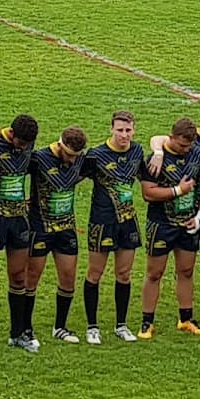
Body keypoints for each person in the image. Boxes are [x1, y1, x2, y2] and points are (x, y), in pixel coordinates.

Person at [149, 101, 200, 328]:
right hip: (175, 215)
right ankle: (150, 320)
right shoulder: (184, 138)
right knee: (162, 270)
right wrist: (158, 152)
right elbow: (159, 139)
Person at [139, 118, 200, 338]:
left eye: (188, 146)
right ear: (170, 137)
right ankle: (147, 322)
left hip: (187, 223)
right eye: (181, 145)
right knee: (155, 273)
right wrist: (177, 191)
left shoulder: (197, 155)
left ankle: (185, 319)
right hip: (161, 224)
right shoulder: (154, 159)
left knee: (186, 271)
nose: (184, 150)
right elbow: (148, 193)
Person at [0, 114, 39, 352]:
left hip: (19, 220)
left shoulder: (28, 144)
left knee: (19, 276)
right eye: (20, 143)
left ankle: (17, 334)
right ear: (11, 134)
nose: (23, 148)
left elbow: (34, 167)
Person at [81, 111, 143, 343]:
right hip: (102, 222)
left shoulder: (137, 151)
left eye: (128, 130)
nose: (124, 135)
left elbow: (146, 176)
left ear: (134, 130)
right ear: (111, 129)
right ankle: (92, 326)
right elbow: (73, 176)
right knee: (94, 274)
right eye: (120, 130)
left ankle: (121, 325)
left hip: (128, 222)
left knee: (124, 274)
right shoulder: (96, 155)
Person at [26, 125, 88, 345]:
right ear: (60, 145)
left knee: (69, 278)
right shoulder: (39, 158)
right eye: (69, 155)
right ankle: (26, 328)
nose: (72, 161)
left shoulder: (80, 159)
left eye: (76, 156)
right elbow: (12, 173)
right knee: (31, 278)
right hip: (39, 227)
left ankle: (60, 327)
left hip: (66, 228)